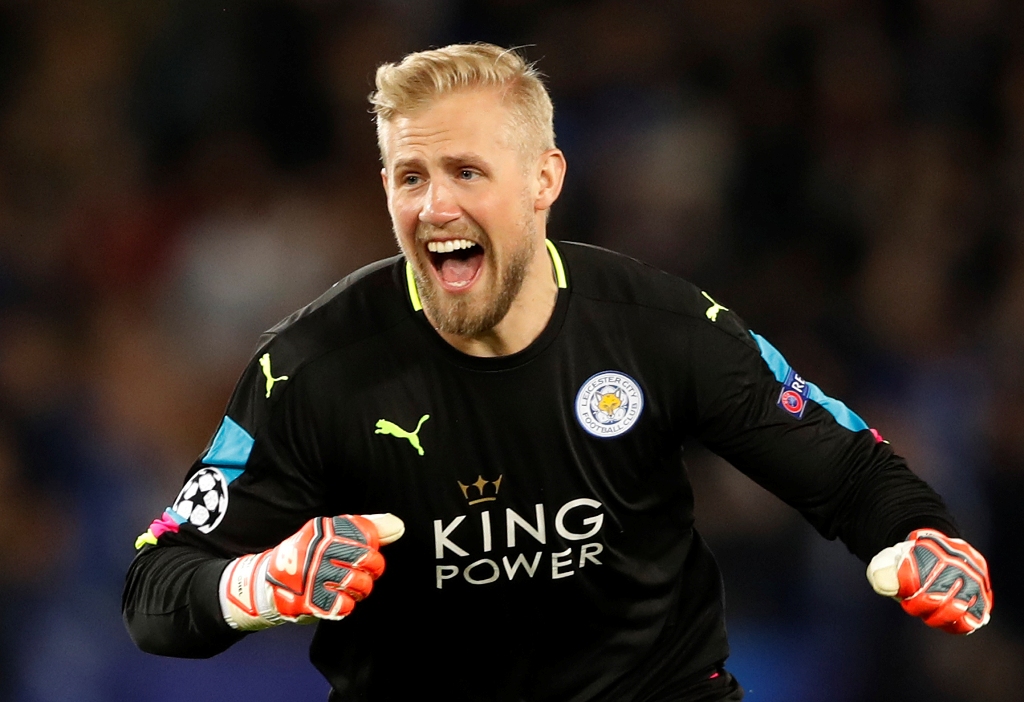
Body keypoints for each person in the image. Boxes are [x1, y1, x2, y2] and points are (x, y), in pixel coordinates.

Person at [122, 43, 993, 702]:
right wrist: (257, 582)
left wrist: (918, 538)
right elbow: (156, 590)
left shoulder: (657, 324)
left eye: (466, 171)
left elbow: (846, 469)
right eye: (410, 176)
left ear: (545, 179)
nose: (434, 208)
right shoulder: (309, 369)